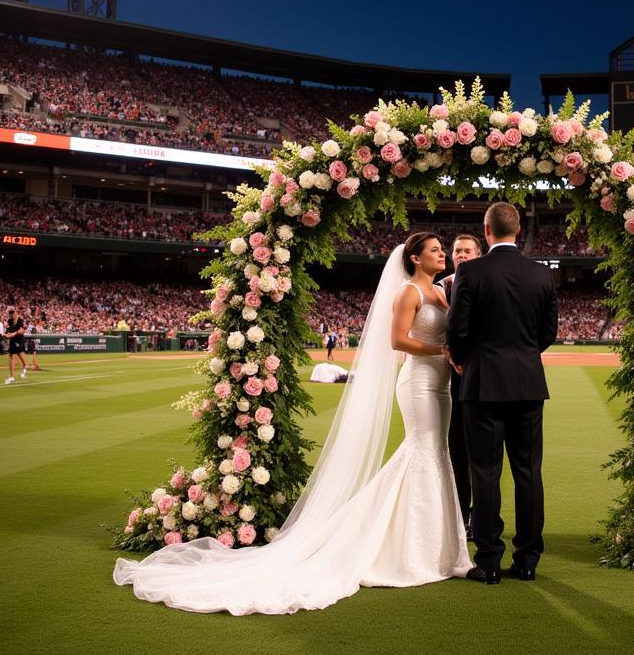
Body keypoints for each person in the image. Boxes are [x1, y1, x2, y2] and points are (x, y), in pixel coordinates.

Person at [113, 232, 471, 615]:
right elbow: (397, 340)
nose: (442, 254)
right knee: (422, 450)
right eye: (435, 250)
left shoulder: (442, 293)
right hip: (418, 383)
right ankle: (406, 547)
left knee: (436, 452)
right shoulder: (409, 294)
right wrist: (442, 348)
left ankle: (435, 546)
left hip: (442, 385)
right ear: (415, 258)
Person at [447, 202, 558, 584]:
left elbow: (456, 330)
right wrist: (523, 358)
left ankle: (490, 562)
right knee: (528, 472)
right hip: (527, 384)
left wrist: (465, 360)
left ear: (486, 231)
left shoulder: (471, 271)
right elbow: (548, 334)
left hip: (482, 384)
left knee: (485, 472)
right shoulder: (541, 274)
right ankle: (527, 561)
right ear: (519, 232)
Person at [438, 233, 483, 537]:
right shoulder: (441, 287)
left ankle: (479, 517)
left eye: (468, 250)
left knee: (481, 455)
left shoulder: (487, 283)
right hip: (450, 381)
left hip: (480, 377)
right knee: (457, 453)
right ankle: (459, 515)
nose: (462, 254)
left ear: (479, 254)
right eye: (457, 250)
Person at [4, 305, 28, 385]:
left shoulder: (20, 320)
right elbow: (9, 330)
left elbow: (22, 330)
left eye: (13, 313)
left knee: (19, 354)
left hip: (19, 340)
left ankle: (25, 365)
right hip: (13, 340)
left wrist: (14, 333)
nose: (11, 315)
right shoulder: (9, 320)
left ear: (16, 312)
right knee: (11, 356)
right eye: (10, 313)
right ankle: (12, 376)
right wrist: (7, 334)